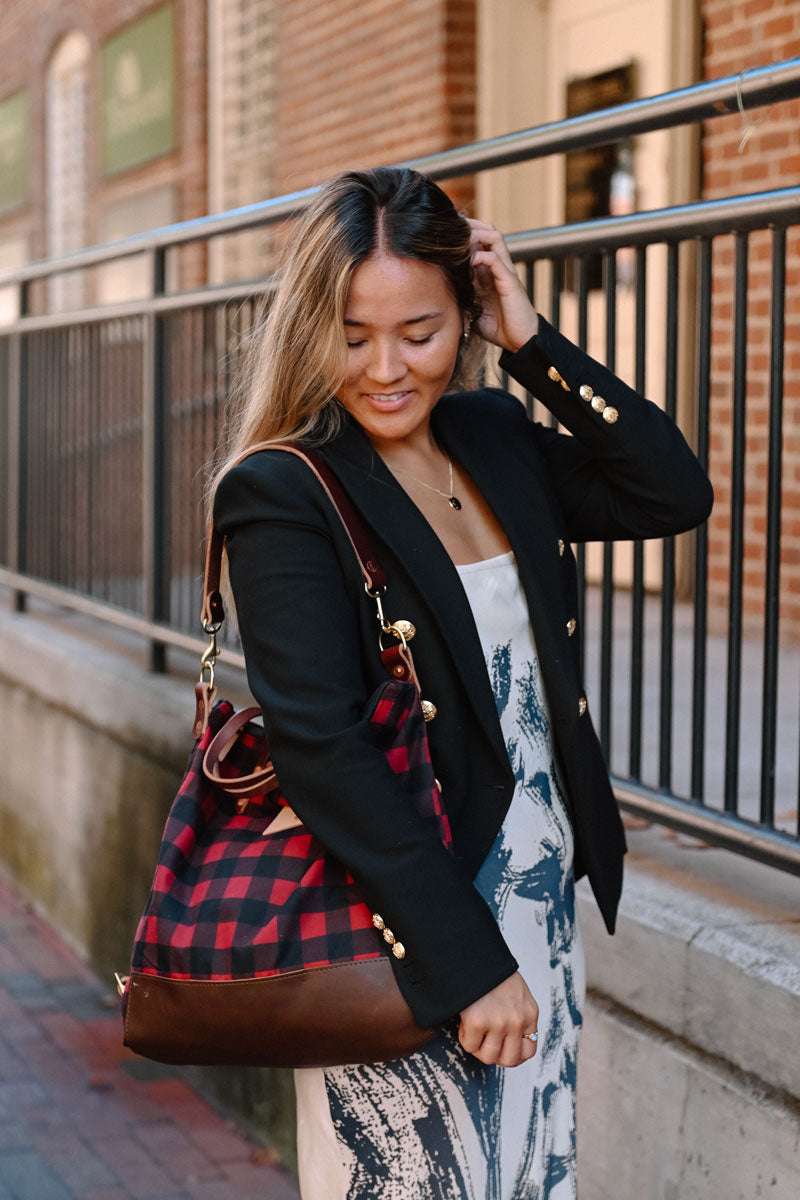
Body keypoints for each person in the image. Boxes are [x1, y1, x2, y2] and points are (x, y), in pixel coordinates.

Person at [211, 166, 713, 1199]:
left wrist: (533, 343)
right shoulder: (285, 488)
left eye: (421, 332)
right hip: (408, 921)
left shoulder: (487, 435)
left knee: (531, 1180)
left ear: (464, 314)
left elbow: (668, 488)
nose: (386, 369)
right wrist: (464, 957)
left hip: (534, 897)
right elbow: (321, 748)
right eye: (352, 336)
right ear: (310, 328)